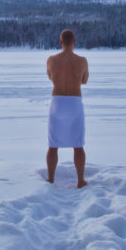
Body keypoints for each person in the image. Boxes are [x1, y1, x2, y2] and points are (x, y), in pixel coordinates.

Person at [46, 28, 89, 188]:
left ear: (61, 42)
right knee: (78, 145)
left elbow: (50, 76)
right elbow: (84, 81)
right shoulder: (82, 60)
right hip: (74, 101)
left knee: (53, 145)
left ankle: (51, 178)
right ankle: (80, 180)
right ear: (74, 42)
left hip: (57, 101)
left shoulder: (51, 60)